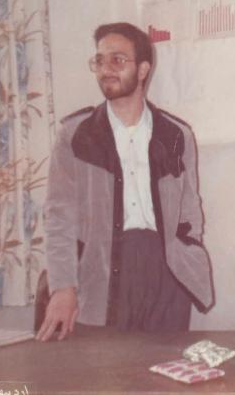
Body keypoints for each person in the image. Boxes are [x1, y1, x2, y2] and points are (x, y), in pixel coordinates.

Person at [36, 22, 214, 341]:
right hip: (102, 272)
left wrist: (187, 253)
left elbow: (190, 208)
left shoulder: (176, 135)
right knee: (104, 367)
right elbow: (59, 217)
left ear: (143, 69)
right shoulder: (76, 135)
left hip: (166, 274)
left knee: (164, 367)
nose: (106, 70)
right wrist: (63, 287)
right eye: (100, 61)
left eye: (117, 60)